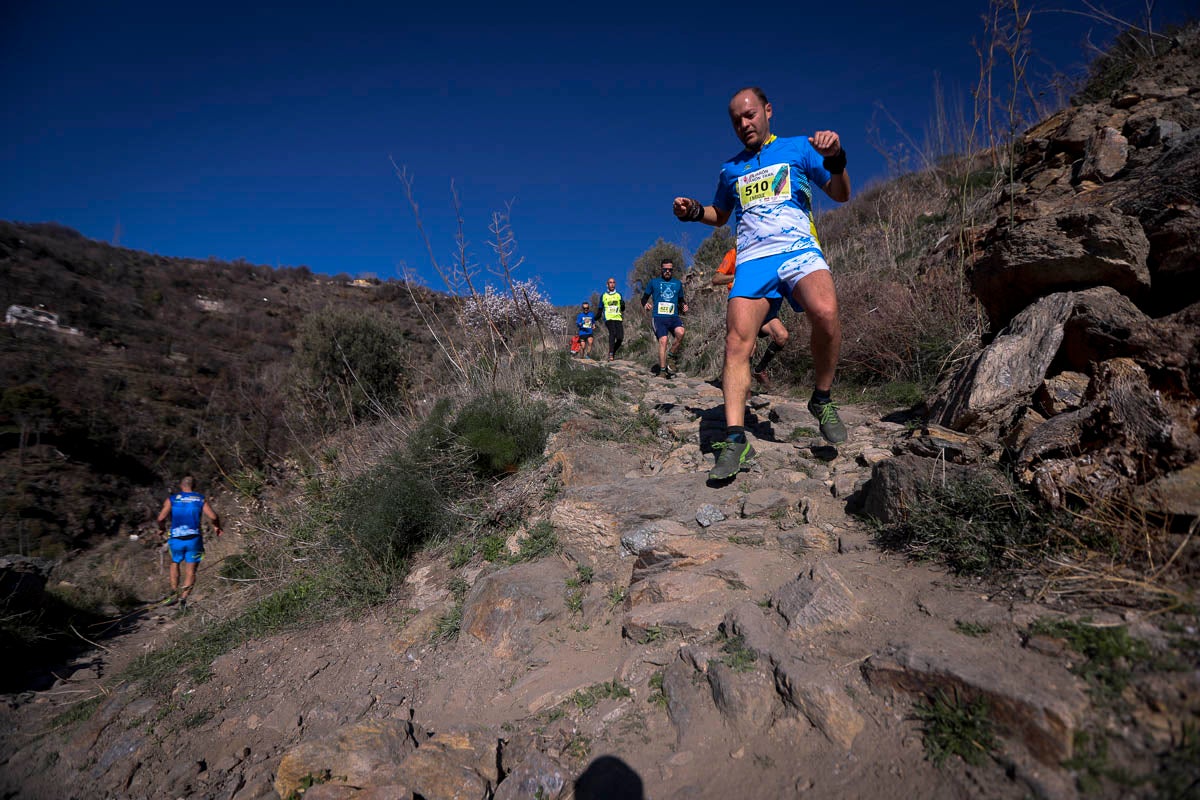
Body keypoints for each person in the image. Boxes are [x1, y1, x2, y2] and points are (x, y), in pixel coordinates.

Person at [674, 86, 851, 481]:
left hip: (798, 249)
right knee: (737, 342)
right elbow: (720, 215)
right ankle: (736, 441)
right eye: (736, 119)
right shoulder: (730, 169)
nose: (744, 124)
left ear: (768, 111)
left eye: (750, 115)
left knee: (825, 312)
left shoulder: (800, 149)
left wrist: (836, 158)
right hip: (753, 260)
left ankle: (821, 399)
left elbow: (841, 193)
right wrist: (693, 212)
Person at [712, 247, 790, 389]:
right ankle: (742, 385)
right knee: (749, 346)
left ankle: (759, 370)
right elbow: (716, 279)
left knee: (782, 335)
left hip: (766, 310)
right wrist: (739, 275)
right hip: (745, 308)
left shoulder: (768, 251)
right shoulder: (734, 253)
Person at [155, 476, 224, 610]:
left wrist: (161, 528)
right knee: (191, 571)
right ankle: (183, 599)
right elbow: (213, 516)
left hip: (176, 538)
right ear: (194, 486)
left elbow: (161, 517)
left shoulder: (173, 499)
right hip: (194, 538)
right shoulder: (199, 499)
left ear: (181, 486)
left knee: (175, 563)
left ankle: (175, 591)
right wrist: (217, 526)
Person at [640, 259, 688, 378]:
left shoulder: (677, 283)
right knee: (663, 341)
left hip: (673, 317)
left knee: (681, 333)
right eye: (665, 269)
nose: (667, 271)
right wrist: (645, 304)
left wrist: (684, 305)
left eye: (670, 270)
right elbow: (644, 298)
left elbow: (681, 299)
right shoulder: (653, 282)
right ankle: (662, 371)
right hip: (658, 318)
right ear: (661, 269)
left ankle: (671, 356)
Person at [599, 277, 625, 361]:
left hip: (618, 318)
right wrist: (594, 319)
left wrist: (623, 304)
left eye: (613, 282)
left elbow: (623, 308)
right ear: (607, 284)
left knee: (620, 338)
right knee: (612, 332)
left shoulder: (619, 295)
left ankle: (613, 351)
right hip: (609, 318)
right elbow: (600, 309)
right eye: (610, 282)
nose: (612, 284)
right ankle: (610, 353)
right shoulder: (603, 296)